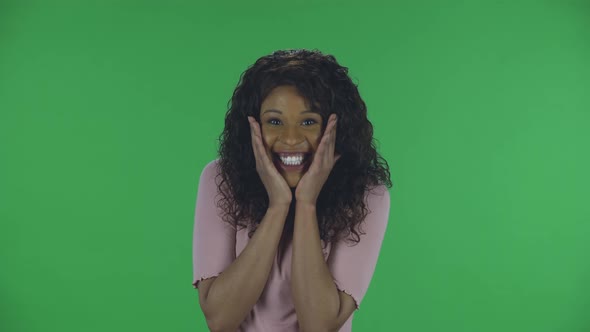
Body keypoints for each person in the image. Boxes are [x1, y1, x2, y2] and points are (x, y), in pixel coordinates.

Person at [192, 48, 393, 332]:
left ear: (336, 128)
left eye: (308, 122)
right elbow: (219, 318)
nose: (290, 138)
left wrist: (307, 204)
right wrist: (278, 206)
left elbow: (320, 325)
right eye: (275, 121)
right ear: (253, 127)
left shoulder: (368, 195)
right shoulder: (219, 179)